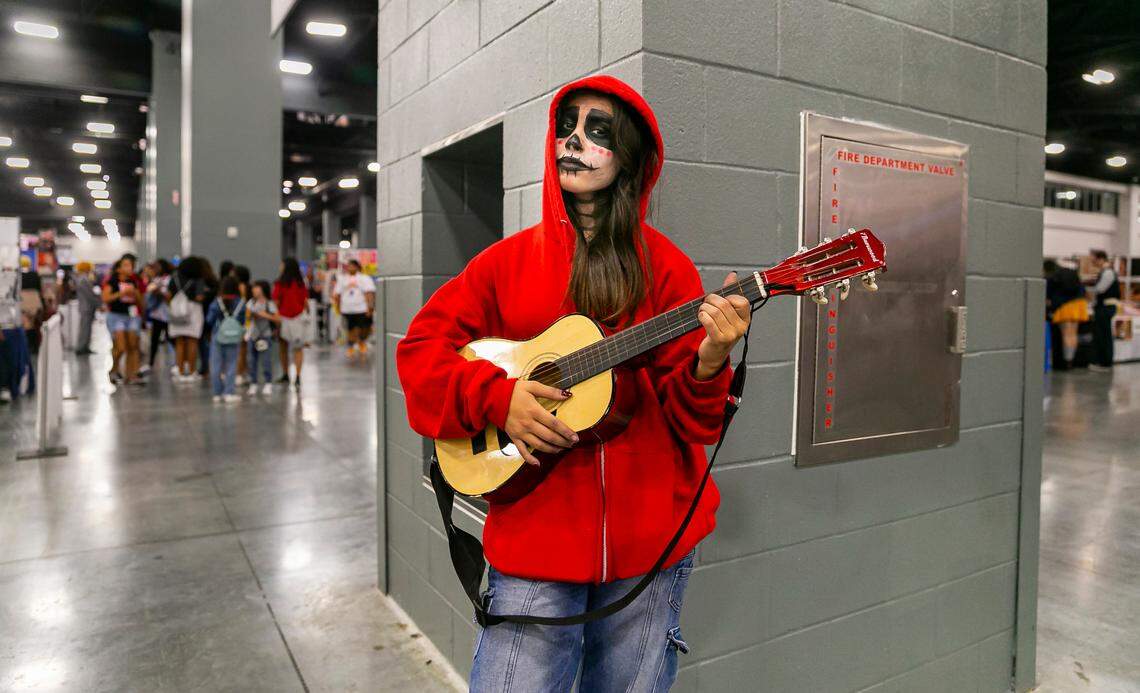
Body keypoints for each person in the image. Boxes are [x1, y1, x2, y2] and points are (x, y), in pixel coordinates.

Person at [396, 76, 751, 691]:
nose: (574, 141)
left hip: (650, 550)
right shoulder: (505, 264)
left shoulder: (666, 269)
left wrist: (712, 358)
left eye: (597, 131)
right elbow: (419, 353)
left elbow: (695, 422)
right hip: (534, 545)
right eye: (567, 127)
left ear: (630, 157)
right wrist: (498, 399)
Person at [102, 256, 145, 386]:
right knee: (121, 347)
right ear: (119, 269)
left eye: (131, 265)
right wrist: (122, 293)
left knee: (133, 346)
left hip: (132, 316)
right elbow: (106, 298)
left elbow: (141, 302)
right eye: (126, 265)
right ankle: (114, 369)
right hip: (116, 316)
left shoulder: (134, 282)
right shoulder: (112, 282)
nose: (129, 268)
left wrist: (135, 293)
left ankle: (132, 374)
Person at [205, 276, 245, 403]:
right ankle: (229, 392)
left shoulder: (217, 302)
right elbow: (243, 321)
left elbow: (209, 320)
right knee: (231, 364)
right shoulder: (240, 303)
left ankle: (217, 393)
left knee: (215, 364)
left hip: (218, 335)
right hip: (234, 336)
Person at [168, 256, 207, 382]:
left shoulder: (174, 278)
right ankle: (191, 371)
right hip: (193, 312)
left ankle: (179, 371)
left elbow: (169, 294)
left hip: (176, 312)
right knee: (192, 341)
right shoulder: (198, 279)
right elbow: (200, 297)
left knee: (179, 342)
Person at [273, 257, 309, 391]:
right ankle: (298, 376)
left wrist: (276, 316)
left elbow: (276, 301)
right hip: (298, 318)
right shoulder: (301, 283)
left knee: (283, 347)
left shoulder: (280, 283)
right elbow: (305, 301)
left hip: (284, 317)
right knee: (298, 348)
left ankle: (286, 374)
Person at [1044, 260, 1087, 370]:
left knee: (1066, 334)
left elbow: (1048, 297)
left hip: (1064, 307)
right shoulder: (1071, 273)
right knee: (1073, 334)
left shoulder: (1052, 277)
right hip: (1078, 305)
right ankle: (1071, 359)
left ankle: (1066, 362)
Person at [332, 259, 376, 358]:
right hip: (347, 309)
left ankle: (361, 342)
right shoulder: (342, 279)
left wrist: (370, 307)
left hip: (362, 309)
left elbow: (369, 293)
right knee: (350, 329)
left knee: (364, 328)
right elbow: (337, 294)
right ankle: (351, 346)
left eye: (352, 266)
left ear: (357, 267)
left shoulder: (365, 278)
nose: (350, 268)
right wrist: (338, 307)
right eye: (348, 266)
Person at [245, 280, 279, 395]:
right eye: (253, 288)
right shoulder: (250, 303)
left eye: (257, 288)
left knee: (266, 360)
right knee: (251, 360)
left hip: (265, 335)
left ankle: (268, 383)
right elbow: (247, 317)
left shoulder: (269, 304)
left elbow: (278, 318)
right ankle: (253, 383)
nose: (254, 290)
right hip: (252, 335)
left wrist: (265, 315)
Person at [1089, 250, 1120, 372]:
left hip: (1105, 308)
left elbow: (1100, 289)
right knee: (1102, 335)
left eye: (1094, 260)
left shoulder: (1107, 272)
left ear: (1101, 259)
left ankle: (1105, 363)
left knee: (1104, 335)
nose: (1093, 262)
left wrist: (1089, 288)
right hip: (1104, 307)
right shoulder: (1105, 272)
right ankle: (1104, 361)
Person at [144, 259, 174, 372]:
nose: (156, 269)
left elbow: (170, 296)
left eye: (157, 266)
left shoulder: (170, 279)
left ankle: (175, 363)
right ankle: (151, 362)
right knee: (154, 339)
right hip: (156, 314)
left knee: (171, 338)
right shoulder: (155, 279)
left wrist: (160, 293)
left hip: (168, 314)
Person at [73, 261, 101, 355]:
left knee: (87, 328)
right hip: (86, 307)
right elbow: (90, 295)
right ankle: (81, 347)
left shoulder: (83, 278)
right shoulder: (83, 279)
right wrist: (99, 304)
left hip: (87, 307)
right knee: (85, 328)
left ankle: (85, 346)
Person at [233, 264, 252, 386]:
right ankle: (244, 372)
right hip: (247, 321)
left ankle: (239, 373)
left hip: (242, 321)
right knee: (244, 349)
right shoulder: (250, 287)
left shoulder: (240, 287)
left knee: (241, 349)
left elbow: (242, 304)